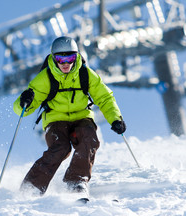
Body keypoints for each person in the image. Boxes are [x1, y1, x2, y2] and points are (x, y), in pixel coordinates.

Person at [13, 36, 126, 195]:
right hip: (55, 120)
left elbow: (104, 97)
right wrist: (24, 101)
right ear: (53, 58)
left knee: (89, 138)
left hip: (81, 117)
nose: (65, 64)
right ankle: (31, 187)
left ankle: (76, 182)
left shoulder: (85, 74)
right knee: (61, 147)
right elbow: (21, 110)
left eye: (70, 58)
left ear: (76, 57)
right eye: (60, 59)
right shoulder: (45, 78)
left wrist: (115, 118)